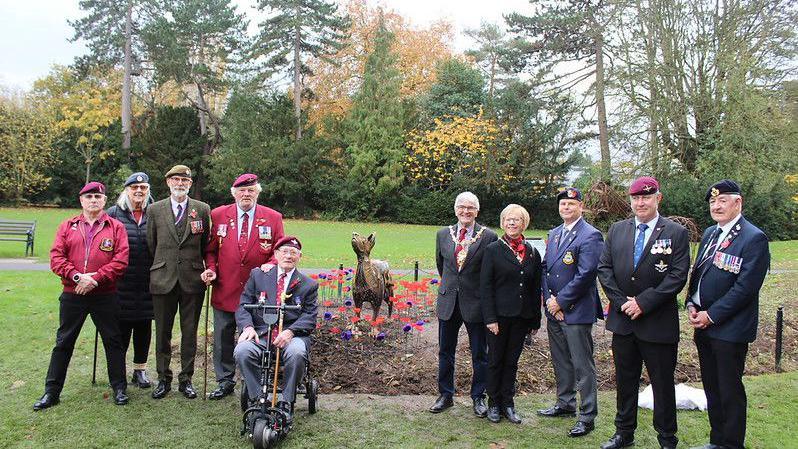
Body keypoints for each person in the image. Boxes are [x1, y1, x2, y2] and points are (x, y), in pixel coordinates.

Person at [597, 176, 690, 449]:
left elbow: (677, 276)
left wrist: (643, 302)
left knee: (662, 385)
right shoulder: (617, 229)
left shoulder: (675, 232)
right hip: (624, 322)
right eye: (636, 198)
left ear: (658, 198)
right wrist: (622, 302)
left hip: (657, 324)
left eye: (646, 197)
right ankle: (623, 433)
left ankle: (666, 438)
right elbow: (604, 269)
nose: (640, 202)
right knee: (625, 382)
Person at [685, 180, 770, 449]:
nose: (716, 206)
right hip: (704, 326)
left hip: (730, 328)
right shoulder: (710, 233)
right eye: (712, 202)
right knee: (712, 387)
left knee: (729, 390)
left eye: (722, 201)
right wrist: (691, 303)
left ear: (738, 203)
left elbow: (746, 287)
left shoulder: (753, 237)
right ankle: (717, 441)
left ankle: (732, 444)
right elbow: (698, 272)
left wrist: (711, 314)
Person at [34, 182, 130, 410]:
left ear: (105, 201)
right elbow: (57, 258)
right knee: (64, 342)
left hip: (105, 294)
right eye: (89, 197)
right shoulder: (68, 226)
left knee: (114, 341)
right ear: (81, 201)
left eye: (98, 196)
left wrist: (96, 278)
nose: (94, 200)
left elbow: (121, 260)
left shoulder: (115, 227)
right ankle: (52, 392)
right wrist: (77, 277)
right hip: (73, 294)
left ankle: (119, 388)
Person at [201, 173, 285, 400]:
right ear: (234, 192)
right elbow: (210, 249)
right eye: (241, 190)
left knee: (258, 335)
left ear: (257, 192)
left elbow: (280, 252)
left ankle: (254, 378)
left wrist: (270, 265)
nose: (246, 194)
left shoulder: (273, 217)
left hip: (258, 293)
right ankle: (225, 380)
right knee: (222, 337)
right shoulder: (218, 215)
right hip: (225, 287)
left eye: (251, 190)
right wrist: (211, 268)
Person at [537, 187, 604, 438]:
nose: (566, 207)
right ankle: (565, 404)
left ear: (581, 207)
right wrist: (550, 302)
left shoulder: (590, 235)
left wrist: (561, 303)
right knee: (561, 361)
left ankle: (587, 416)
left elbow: (586, 274)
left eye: (571, 204)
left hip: (575, 311)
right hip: (555, 310)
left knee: (582, 365)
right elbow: (545, 269)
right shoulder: (554, 234)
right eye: (563, 204)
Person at [234, 236, 318, 424]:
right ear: (276, 254)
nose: (288, 256)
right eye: (284, 252)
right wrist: (247, 327)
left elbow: (310, 316)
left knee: (297, 353)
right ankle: (257, 398)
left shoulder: (308, 285)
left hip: (292, 336)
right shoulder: (258, 276)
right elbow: (243, 305)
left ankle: (287, 402)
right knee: (242, 350)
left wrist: (290, 332)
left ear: (300, 256)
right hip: (262, 334)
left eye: (293, 253)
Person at [429, 191, 498, 417]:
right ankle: (445, 395)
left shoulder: (488, 236)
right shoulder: (442, 234)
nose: (465, 211)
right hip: (449, 301)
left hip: (476, 304)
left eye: (470, 208)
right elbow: (443, 267)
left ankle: (479, 397)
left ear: (477, 211)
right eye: (462, 207)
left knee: (480, 354)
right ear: (455, 209)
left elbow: (490, 272)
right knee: (445, 351)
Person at [146, 165, 211, 399]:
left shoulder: (202, 209)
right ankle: (163, 378)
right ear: (168, 183)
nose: (180, 184)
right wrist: (164, 265)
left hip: (192, 281)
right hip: (163, 279)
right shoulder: (154, 210)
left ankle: (186, 379)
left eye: (184, 181)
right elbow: (151, 244)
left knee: (189, 332)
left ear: (190, 184)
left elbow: (206, 245)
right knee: (162, 332)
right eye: (175, 180)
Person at [480, 204, 542, 424]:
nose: (512, 223)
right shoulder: (493, 250)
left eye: (516, 219)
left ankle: (508, 403)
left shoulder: (532, 252)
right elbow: (485, 287)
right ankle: (494, 404)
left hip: (521, 318)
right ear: (503, 223)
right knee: (495, 361)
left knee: (512, 362)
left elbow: (535, 288)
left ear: (523, 223)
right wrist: (490, 318)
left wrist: (535, 319)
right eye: (508, 219)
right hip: (498, 318)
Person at [106, 172, 155, 389]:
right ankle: (119, 372)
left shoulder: (154, 213)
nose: (139, 191)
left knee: (144, 327)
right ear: (126, 190)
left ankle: (140, 371)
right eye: (134, 188)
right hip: (121, 283)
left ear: (147, 191)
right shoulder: (113, 214)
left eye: (143, 188)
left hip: (147, 281)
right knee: (121, 329)